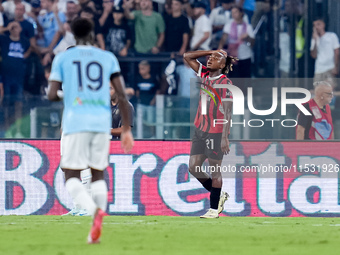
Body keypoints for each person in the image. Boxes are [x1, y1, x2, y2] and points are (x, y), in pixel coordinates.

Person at [47, 18, 134, 244]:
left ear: (72, 33)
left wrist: (68, 95)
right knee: (97, 173)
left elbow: (50, 94)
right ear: (92, 33)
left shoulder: (63, 58)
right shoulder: (107, 57)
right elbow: (123, 96)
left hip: (75, 122)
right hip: (100, 122)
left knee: (69, 172)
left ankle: (89, 209)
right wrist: (126, 129)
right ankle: (94, 218)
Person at [183, 49, 237, 218]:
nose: (210, 58)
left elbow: (228, 113)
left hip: (215, 132)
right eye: (210, 57)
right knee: (193, 167)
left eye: (216, 58)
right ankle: (219, 195)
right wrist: (211, 50)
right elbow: (187, 56)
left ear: (222, 64)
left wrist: (225, 138)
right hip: (199, 130)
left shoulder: (225, 84)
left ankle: (214, 209)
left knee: (215, 170)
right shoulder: (205, 74)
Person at [310, 18, 340, 86]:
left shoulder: (332, 36)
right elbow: (313, 55)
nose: (316, 27)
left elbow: (337, 52)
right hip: (319, 69)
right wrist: (315, 41)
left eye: (318, 24)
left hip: (330, 67)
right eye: (314, 25)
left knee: (330, 89)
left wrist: (336, 67)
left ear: (323, 25)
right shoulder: (314, 39)